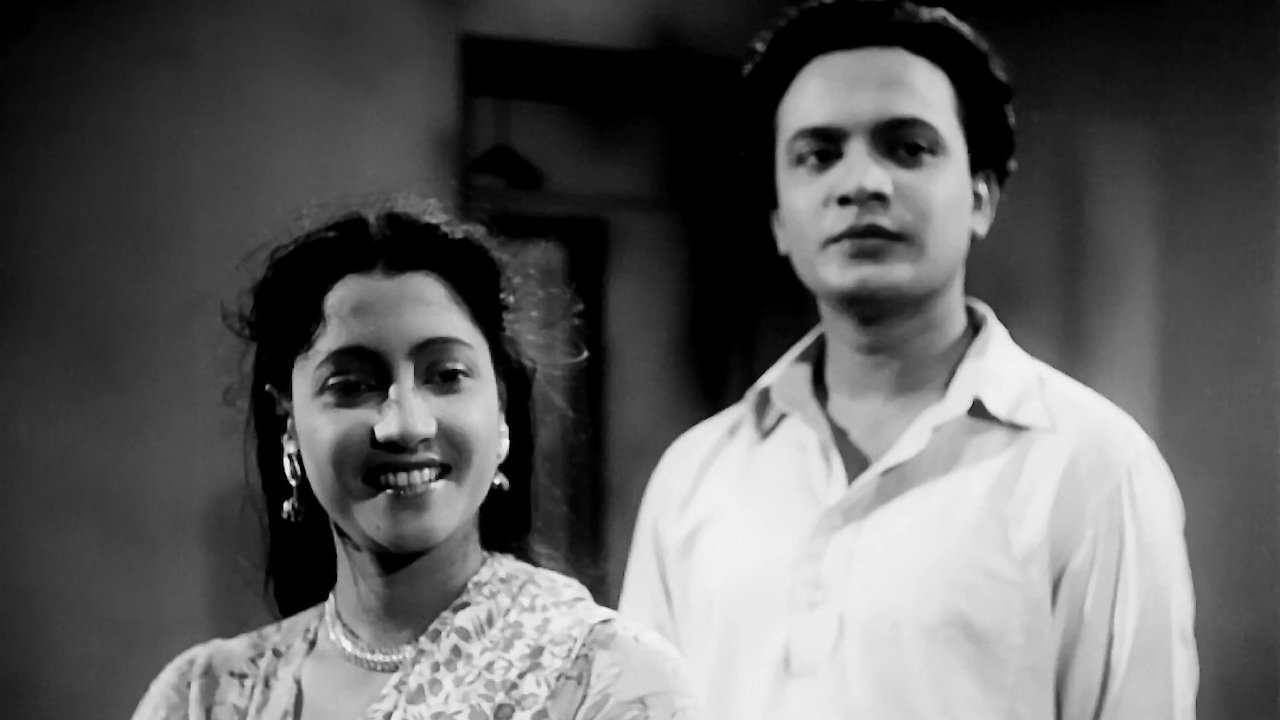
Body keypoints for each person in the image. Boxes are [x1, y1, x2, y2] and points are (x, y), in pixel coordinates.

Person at [618, 1, 1198, 718]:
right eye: (818, 155)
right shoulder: (694, 478)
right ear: (778, 219)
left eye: (908, 147)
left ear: (981, 197)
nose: (861, 182)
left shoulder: (1089, 466)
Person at [132, 199, 698, 720]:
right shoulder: (203, 696)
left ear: (500, 407)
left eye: (446, 376)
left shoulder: (611, 681)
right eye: (351, 385)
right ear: (290, 423)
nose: (405, 424)